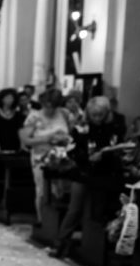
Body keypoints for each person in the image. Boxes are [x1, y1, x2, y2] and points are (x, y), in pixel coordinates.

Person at [51, 96, 127, 257]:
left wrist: (104, 155)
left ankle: (97, 248)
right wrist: (85, 156)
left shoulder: (116, 124)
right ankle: (60, 243)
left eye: (100, 115)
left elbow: (118, 146)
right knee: (75, 209)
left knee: (99, 209)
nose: (97, 118)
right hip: (84, 171)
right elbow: (72, 148)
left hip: (106, 173)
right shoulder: (81, 126)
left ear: (106, 113)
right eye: (94, 115)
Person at [20, 87, 72, 223]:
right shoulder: (34, 116)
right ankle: (42, 220)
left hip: (62, 156)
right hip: (40, 156)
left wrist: (65, 140)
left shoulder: (65, 114)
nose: (50, 109)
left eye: (53, 107)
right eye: (47, 106)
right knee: (42, 189)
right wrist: (47, 138)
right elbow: (26, 140)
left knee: (60, 189)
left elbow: (71, 134)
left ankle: (57, 221)